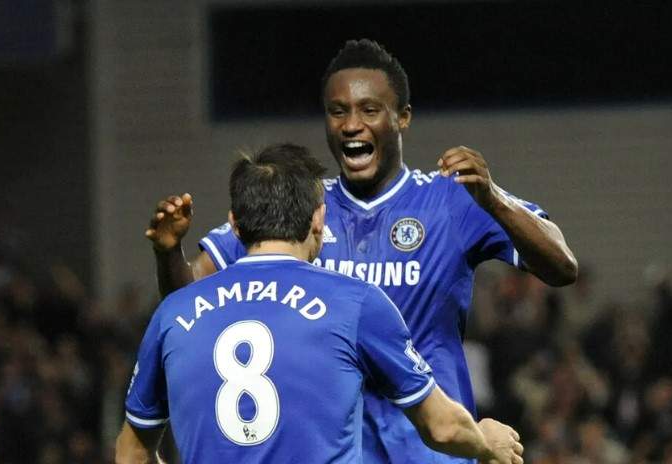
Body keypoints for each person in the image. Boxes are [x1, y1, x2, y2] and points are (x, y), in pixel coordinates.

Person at [145, 40, 576, 463]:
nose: (352, 124)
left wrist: (494, 198)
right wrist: (169, 253)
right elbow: (192, 306)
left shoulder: (451, 201)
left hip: (435, 449)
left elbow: (561, 266)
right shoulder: (299, 208)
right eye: (338, 111)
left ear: (402, 117)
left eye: (369, 110)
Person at [116, 144, 524, 464]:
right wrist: (485, 442)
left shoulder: (175, 312)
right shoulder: (355, 303)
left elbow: (131, 452)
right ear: (318, 219)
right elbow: (442, 429)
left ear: (234, 223)